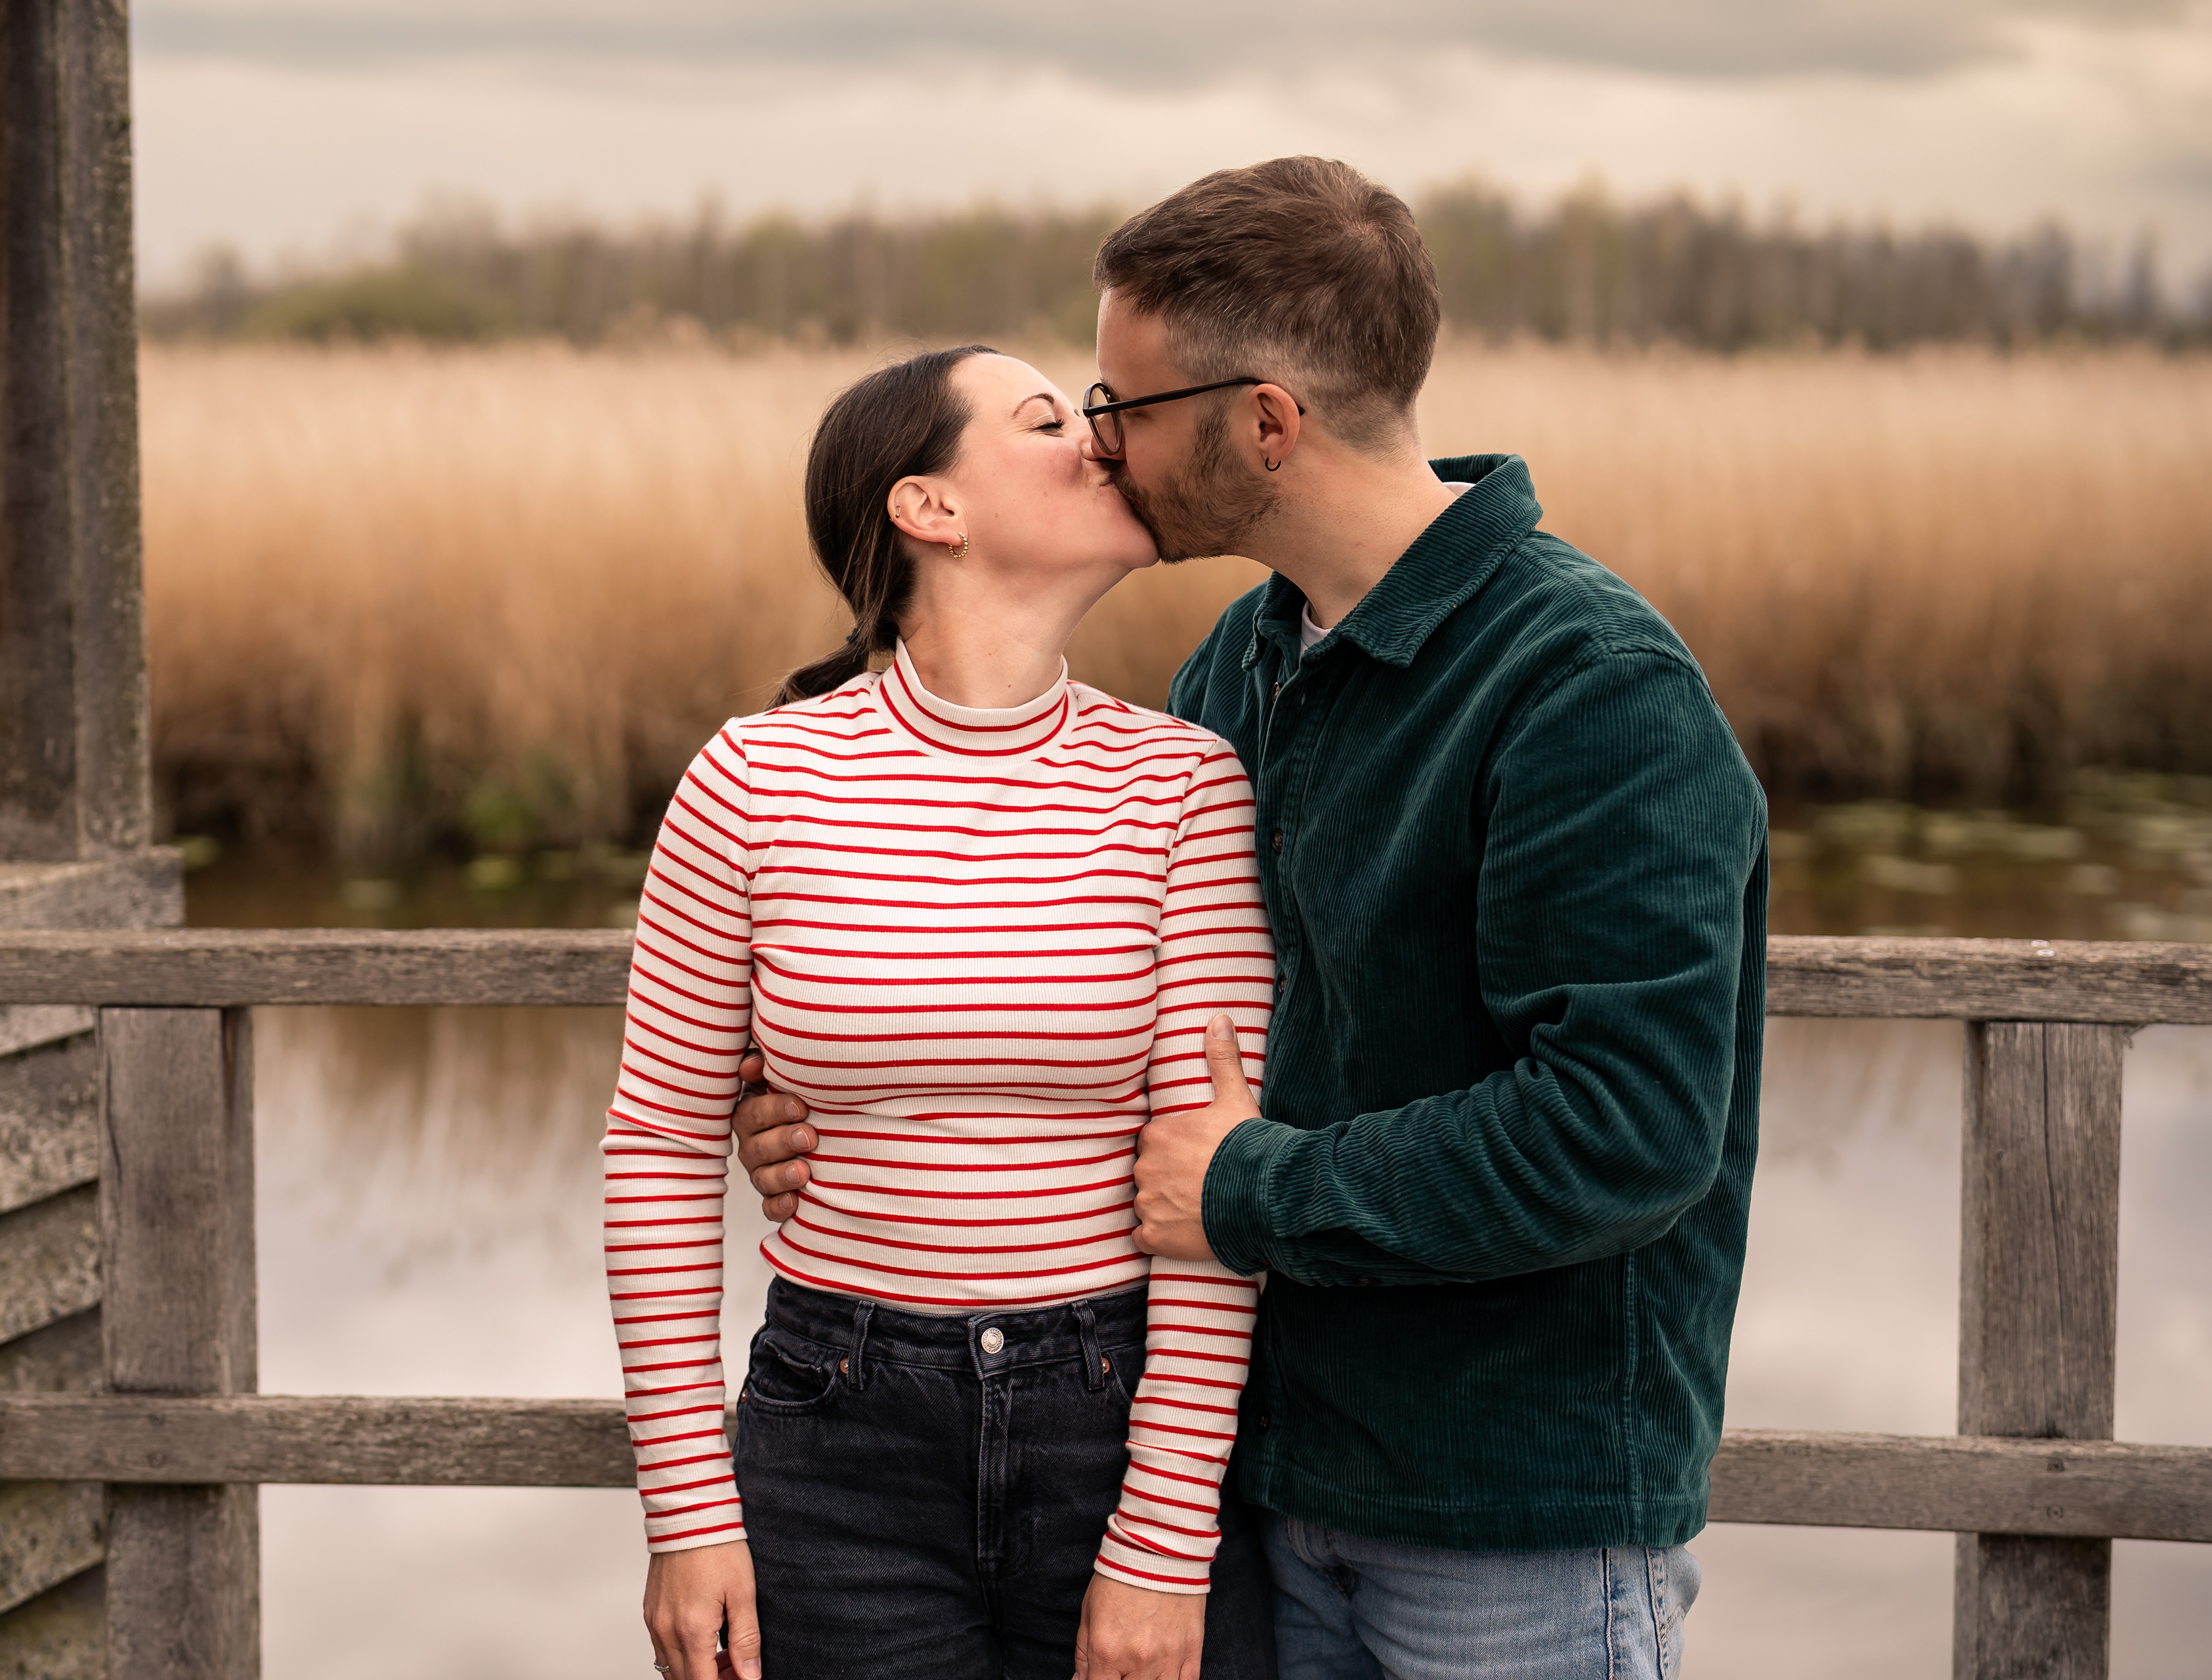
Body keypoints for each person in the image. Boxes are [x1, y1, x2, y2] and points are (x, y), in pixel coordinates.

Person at [733, 157, 1770, 1679]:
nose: (1100, 439)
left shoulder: (1588, 688)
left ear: (1265, 421)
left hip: (1510, 1522)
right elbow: (1121, 1004)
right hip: (1279, 1500)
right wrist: (845, 1104)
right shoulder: (1247, 664)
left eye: (1123, 403)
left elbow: (1628, 1125)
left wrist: (1259, 1187)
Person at [603, 345, 1286, 1680]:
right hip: (836, 1437)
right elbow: (661, 1148)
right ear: (931, 508)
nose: (1097, 439)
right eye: (1047, 419)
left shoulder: (1184, 784)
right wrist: (688, 1511)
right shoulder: (752, 781)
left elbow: (1214, 1183)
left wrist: (1159, 1542)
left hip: (1119, 1421)